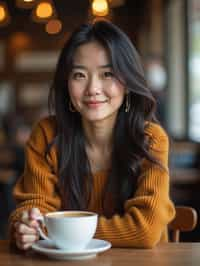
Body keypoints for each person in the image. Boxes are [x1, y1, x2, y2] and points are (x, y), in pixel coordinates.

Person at [9, 20, 175, 250]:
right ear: (66, 83)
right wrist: (26, 226)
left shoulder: (149, 139)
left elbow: (144, 229)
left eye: (107, 74)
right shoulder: (46, 136)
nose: (93, 89)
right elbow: (33, 213)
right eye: (79, 75)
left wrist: (56, 231)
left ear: (127, 83)